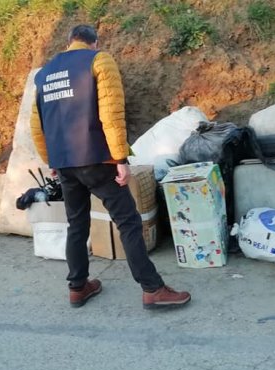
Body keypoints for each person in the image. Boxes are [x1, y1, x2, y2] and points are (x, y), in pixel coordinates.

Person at [30, 25, 191, 310]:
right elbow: (112, 114)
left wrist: (51, 160)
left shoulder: (44, 74)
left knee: (77, 224)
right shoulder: (98, 60)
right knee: (128, 223)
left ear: (69, 43)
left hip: (65, 164)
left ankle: (78, 287)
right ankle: (152, 288)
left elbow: (38, 125)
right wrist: (120, 159)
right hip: (96, 159)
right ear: (94, 42)